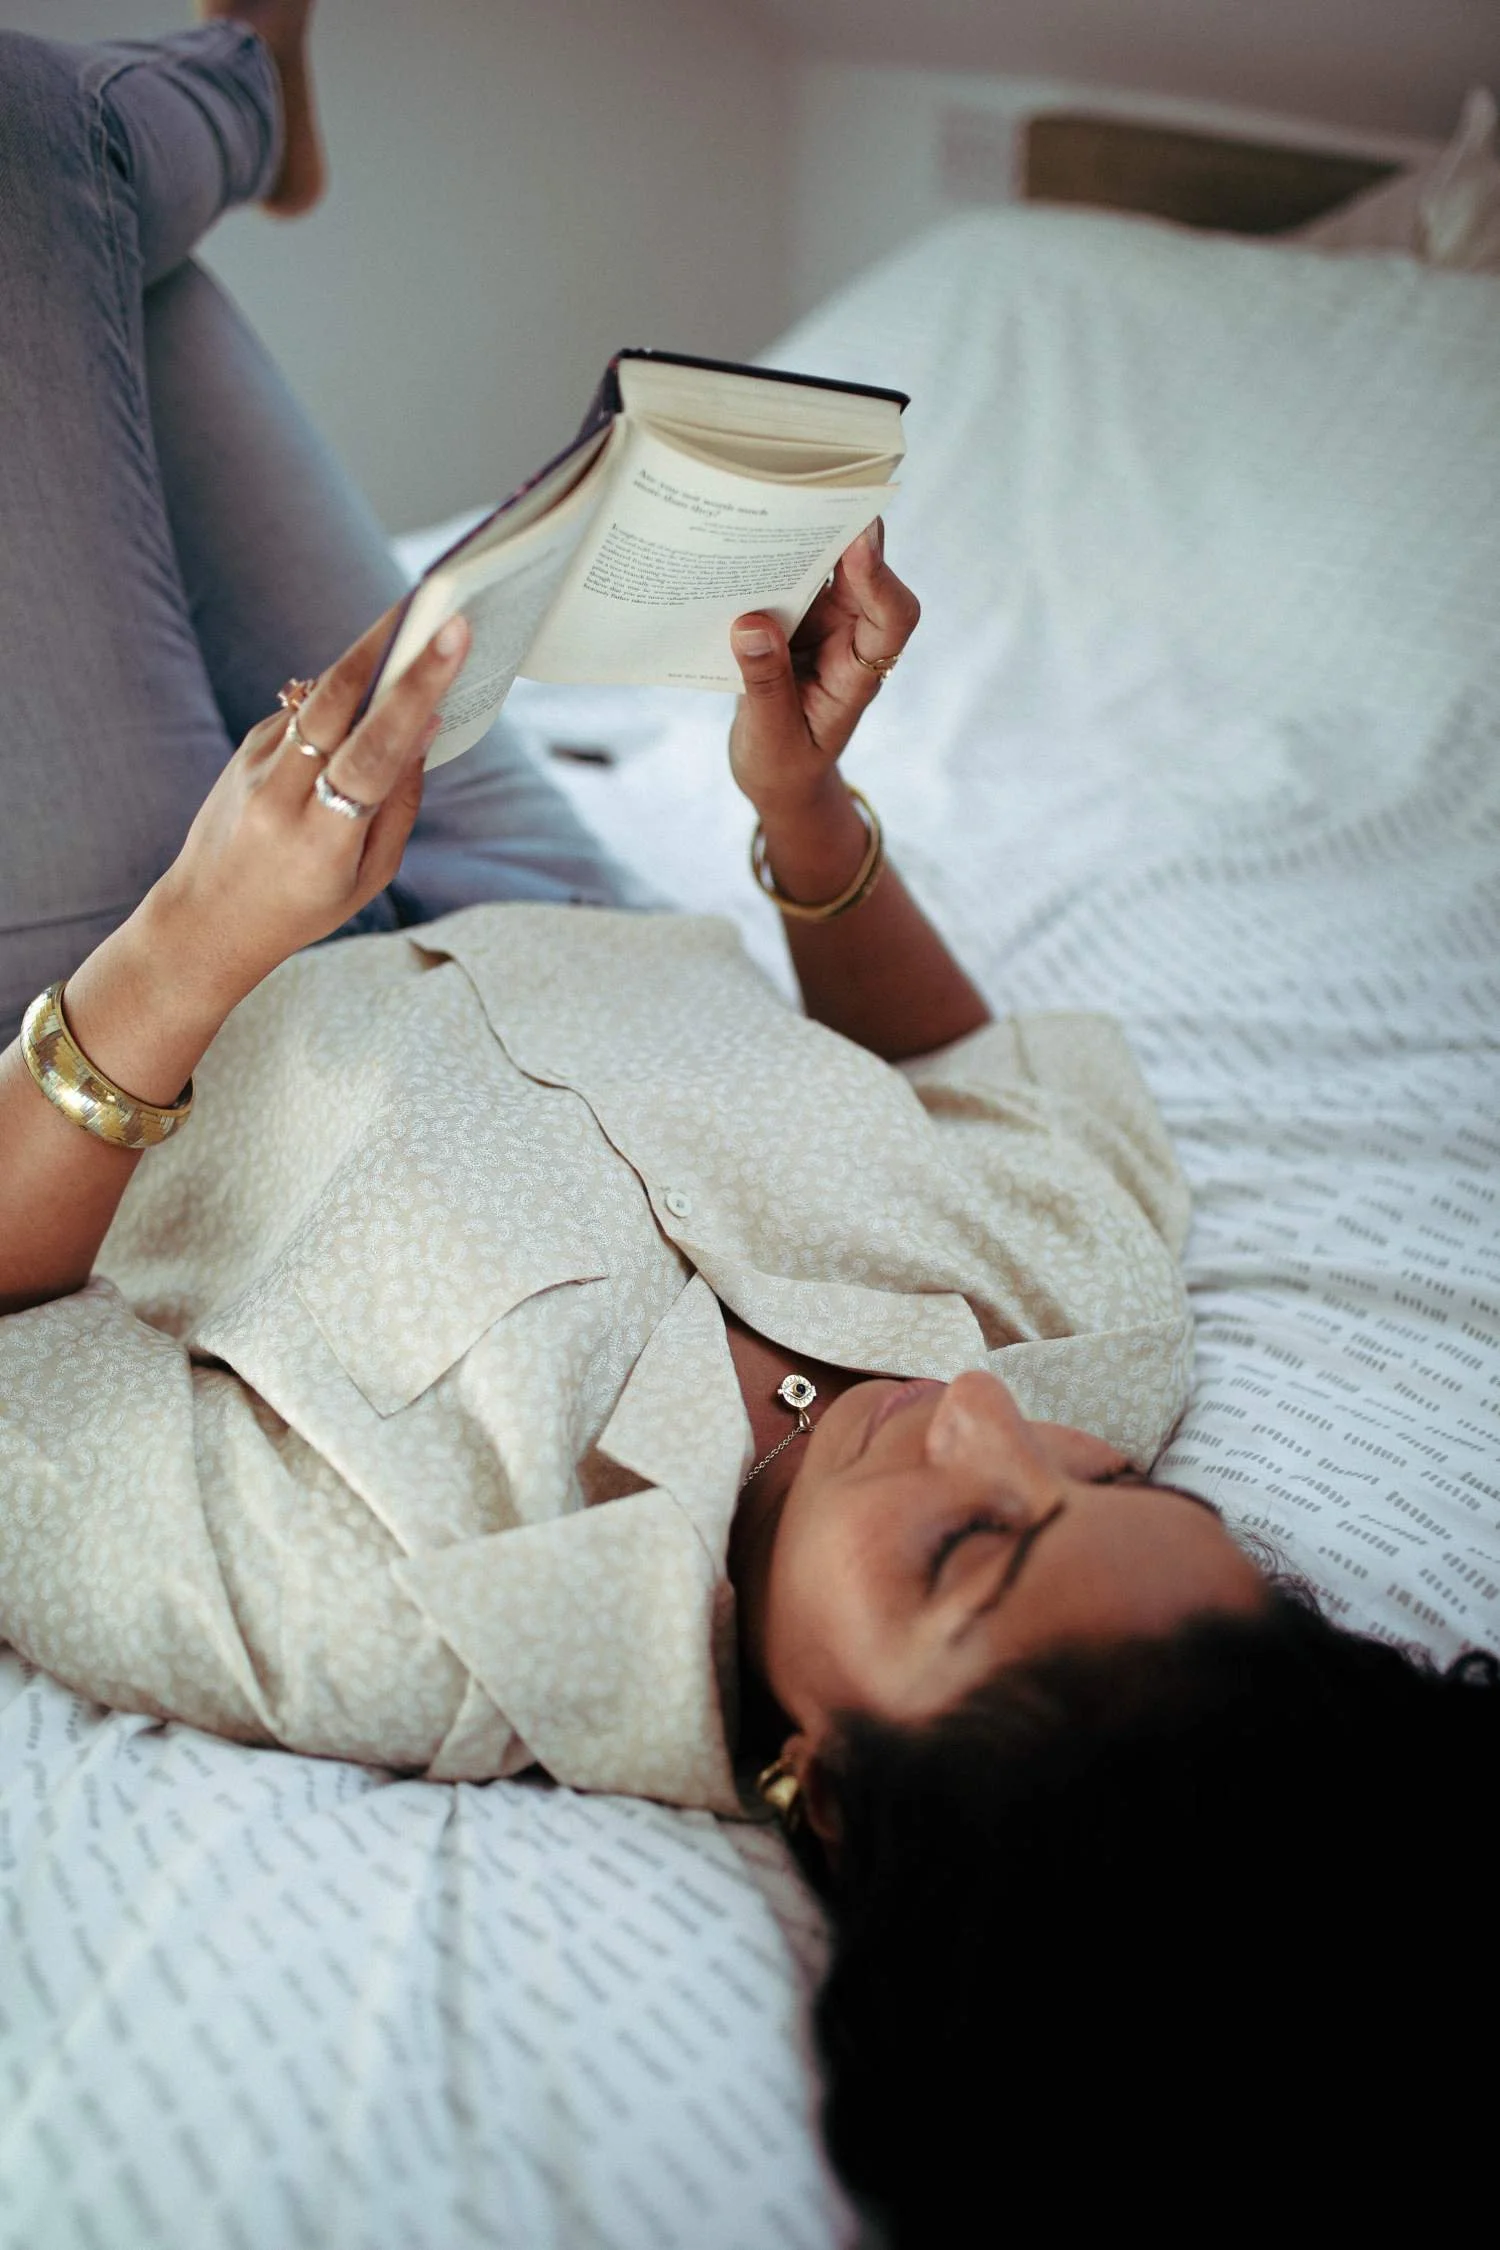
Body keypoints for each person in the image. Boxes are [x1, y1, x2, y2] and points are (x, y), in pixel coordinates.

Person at [1, 15, 1493, 2243]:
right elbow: (978, 1087)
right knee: (106, 258)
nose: (986, 1419)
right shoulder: (1084, 1350)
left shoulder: (421, 1627)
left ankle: (223, 83)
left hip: (133, 974)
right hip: (525, 873)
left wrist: (191, 946)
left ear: (818, 1788)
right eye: (1089, 1480)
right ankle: (219, 103)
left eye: (971, 1556)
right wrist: (807, 821)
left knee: (35, 162)